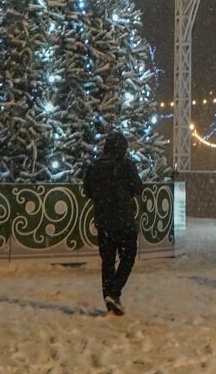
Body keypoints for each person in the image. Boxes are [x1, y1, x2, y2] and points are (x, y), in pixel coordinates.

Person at [81, 131, 144, 315]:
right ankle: (114, 292)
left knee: (107, 261)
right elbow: (137, 187)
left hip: (103, 221)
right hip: (123, 220)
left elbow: (87, 191)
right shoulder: (125, 165)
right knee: (128, 256)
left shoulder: (94, 167)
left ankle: (110, 300)